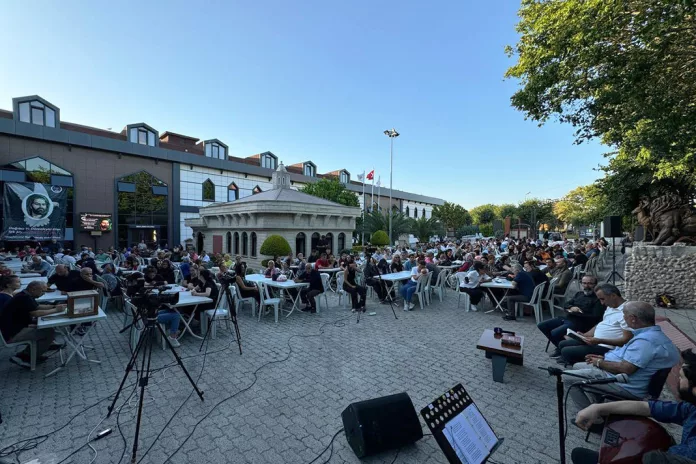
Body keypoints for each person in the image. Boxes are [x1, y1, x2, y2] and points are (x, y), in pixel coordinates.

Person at [571, 348, 696, 464]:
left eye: (681, 377)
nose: (678, 381)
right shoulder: (691, 408)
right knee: (580, 455)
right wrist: (597, 408)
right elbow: (647, 407)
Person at [563, 302, 679, 412]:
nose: (623, 318)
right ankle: (601, 407)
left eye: (625, 315)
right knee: (578, 365)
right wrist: (603, 360)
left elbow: (626, 369)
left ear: (633, 318)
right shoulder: (652, 335)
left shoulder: (645, 341)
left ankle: (590, 418)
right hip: (622, 376)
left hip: (625, 385)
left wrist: (599, 362)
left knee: (567, 377)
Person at [558, 283, 632, 366]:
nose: (602, 303)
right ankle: (572, 360)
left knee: (566, 351)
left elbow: (625, 340)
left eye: (602, 299)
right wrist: (585, 335)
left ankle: (583, 365)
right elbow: (602, 323)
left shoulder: (627, 312)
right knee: (562, 344)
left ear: (613, 296)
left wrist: (599, 340)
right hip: (596, 341)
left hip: (606, 347)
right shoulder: (611, 306)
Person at [0, 281, 66, 368]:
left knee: (46, 329)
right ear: (32, 289)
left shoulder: (24, 295)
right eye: (42, 291)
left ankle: (29, 354)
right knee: (48, 333)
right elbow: (36, 313)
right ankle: (25, 357)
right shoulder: (24, 298)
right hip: (12, 334)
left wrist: (54, 306)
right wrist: (56, 310)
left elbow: (37, 306)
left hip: (13, 329)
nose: (43, 294)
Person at [538, 275, 606, 357]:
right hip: (567, 318)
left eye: (590, 284)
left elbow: (595, 317)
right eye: (584, 283)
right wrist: (571, 307)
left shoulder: (598, 299)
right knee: (542, 325)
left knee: (555, 332)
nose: (586, 286)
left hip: (581, 323)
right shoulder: (579, 294)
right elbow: (566, 304)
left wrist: (575, 312)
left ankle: (562, 349)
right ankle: (560, 346)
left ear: (595, 284)